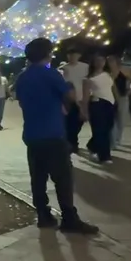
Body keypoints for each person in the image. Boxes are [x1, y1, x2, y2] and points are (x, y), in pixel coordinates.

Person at [17, 38, 98, 234]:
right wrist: (68, 85)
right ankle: (69, 218)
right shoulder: (51, 74)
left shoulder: (22, 78)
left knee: (38, 177)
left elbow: (22, 102)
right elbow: (71, 96)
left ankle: (43, 215)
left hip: (32, 135)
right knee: (63, 178)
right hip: (52, 133)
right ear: (47, 54)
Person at [84, 56, 117, 163]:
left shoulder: (107, 75)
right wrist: (84, 111)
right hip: (97, 104)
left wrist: (117, 101)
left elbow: (112, 88)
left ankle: (92, 146)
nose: (100, 63)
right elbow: (86, 96)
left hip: (110, 103)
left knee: (108, 127)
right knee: (100, 130)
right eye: (97, 61)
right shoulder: (88, 79)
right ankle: (105, 156)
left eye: (102, 61)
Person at [59, 50, 89, 153]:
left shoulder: (85, 67)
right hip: (69, 99)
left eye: (74, 54)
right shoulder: (63, 69)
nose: (72, 57)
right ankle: (72, 144)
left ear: (79, 55)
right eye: (70, 55)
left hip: (81, 97)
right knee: (70, 123)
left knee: (79, 122)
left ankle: (72, 141)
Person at [107, 56, 127, 148]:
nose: (110, 63)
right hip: (111, 98)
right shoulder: (108, 74)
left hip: (122, 97)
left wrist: (130, 90)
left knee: (121, 120)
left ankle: (118, 139)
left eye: (112, 61)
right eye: (109, 62)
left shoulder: (122, 72)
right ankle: (113, 141)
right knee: (113, 120)